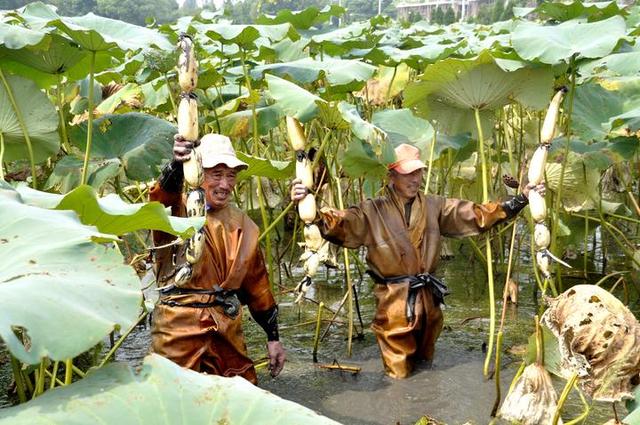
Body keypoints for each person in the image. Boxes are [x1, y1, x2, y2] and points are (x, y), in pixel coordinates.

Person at [291, 143, 542, 379]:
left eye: (418, 173)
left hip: (428, 300)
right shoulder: (371, 211)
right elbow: (340, 222)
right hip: (393, 302)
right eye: (407, 173)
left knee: (427, 369)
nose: (415, 179)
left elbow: (475, 214)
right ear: (391, 176)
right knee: (398, 378)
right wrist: (309, 207)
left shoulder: (434, 206)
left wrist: (520, 199)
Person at [150, 133, 285, 384]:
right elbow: (160, 197)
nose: (224, 184)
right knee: (171, 398)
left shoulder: (244, 226)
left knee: (243, 394)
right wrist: (176, 165)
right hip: (177, 324)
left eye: (231, 175)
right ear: (198, 173)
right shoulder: (175, 211)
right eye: (216, 174)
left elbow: (258, 288)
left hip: (225, 323)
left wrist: (273, 337)